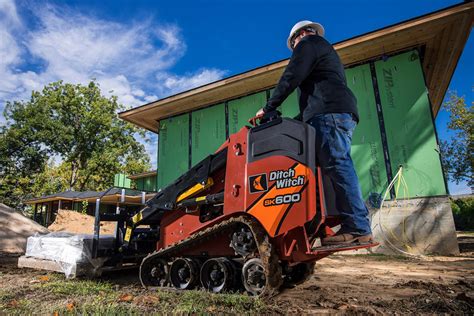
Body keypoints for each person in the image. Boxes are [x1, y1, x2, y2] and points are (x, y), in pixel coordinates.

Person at [256, 20, 372, 245]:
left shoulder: (309, 43)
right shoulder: (325, 51)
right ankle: (328, 223)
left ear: (297, 37)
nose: (295, 46)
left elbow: (291, 75)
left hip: (330, 113)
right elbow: (314, 99)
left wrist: (269, 107)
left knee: (338, 165)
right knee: (327, 169)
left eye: (293, 43)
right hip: (336, 113)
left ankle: (357, 227)